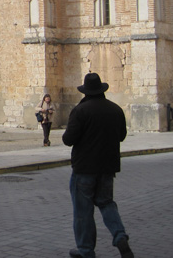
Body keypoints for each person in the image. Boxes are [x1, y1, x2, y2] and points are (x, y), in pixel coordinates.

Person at [62, 73, 134, 258]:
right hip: (108, 167)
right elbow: (121, 136)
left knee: (83, 211)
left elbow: (68, 139)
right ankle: (119, 236)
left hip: (84, 168)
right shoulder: (115, 110)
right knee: (107, 203)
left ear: (85, 91)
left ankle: (86, 251)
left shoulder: (81, 111)